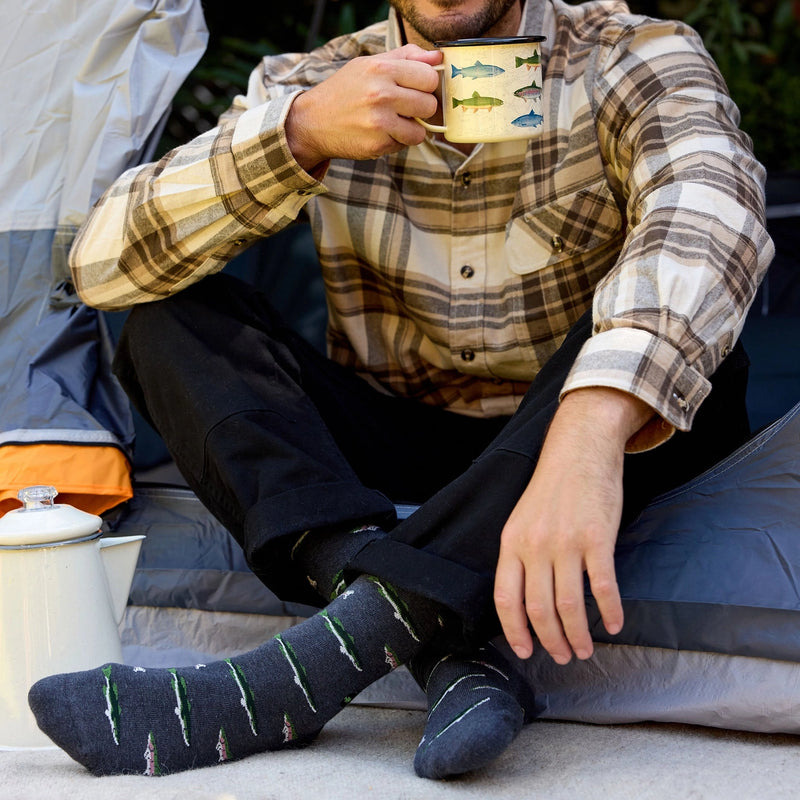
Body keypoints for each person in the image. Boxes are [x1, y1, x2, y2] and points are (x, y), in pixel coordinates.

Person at [29, 0, 772, 780]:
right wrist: (299, 134)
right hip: (396, 437)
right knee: (164, 312)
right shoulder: (312, 81)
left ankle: (284, 682)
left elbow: (712, 208)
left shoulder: (632, 54)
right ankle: (437, 646)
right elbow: (100, 264)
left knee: (687, 353)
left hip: (572, 442)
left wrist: (586, 434)